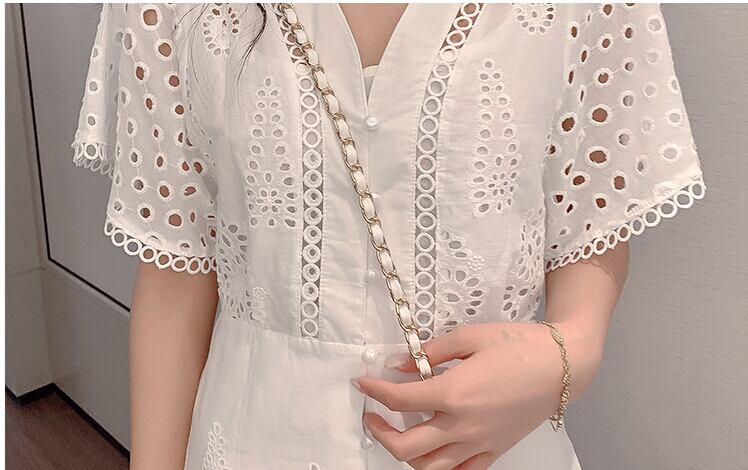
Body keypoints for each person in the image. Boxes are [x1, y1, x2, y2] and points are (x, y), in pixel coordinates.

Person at [70, 3, 705, 469]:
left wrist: (574, 350)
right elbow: (177, 256)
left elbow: (590, 208)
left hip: (495, 445)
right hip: (251, 438)